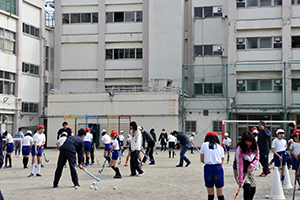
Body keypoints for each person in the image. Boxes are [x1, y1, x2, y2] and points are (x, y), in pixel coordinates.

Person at [234, 131, 259, 200]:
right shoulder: (240, 149)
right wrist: (240, 180)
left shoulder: (255, 147)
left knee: (253, 188)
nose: (248, 143)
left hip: (250, 169)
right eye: (247, 141)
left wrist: (251, 167)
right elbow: (240, 164)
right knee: (247, 188)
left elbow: (257, 158)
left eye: (250, 141)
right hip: (240, 170)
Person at [200, 131, 225, 200]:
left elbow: (202, 160)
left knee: (210, 195)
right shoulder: (220, 147)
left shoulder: (204, 145)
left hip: (208, 168)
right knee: (220, 194)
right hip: (218, 168)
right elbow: (221, 161)